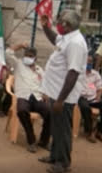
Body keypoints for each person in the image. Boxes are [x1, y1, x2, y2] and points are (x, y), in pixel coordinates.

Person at [39, 10, 88, 173]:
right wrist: (46, 27)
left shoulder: (76, 43)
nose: (58, 24)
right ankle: (54, 155)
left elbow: (73, 73)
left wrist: (60, 100)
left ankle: (63, 163)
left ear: (67, 26)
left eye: (60, 22)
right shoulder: (67, 38)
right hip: (55, 91)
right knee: (56, 127)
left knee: (63, 130)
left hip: (63, 96)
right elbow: (55, 39)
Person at [6, 43, 50, 153]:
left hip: (37, 97)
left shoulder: (39, 70)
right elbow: (8, 53)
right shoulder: (18, 64)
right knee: (21, 110)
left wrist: (45, 94)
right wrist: (20, 45)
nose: (27, 57)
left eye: (30, 56)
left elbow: (45, 84)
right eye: (26, 55)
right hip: (23, 96)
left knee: (51, 113)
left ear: (35, 58)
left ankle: (44, 141)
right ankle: (31, 140)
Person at [78, 55, 102, 143]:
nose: (89, 63)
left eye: (91, 62)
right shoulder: (79, 73)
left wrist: (98, 97)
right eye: (87, 62)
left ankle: (99, 131)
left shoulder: (95, 74)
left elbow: (100, 88)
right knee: (85, 108)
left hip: (94, 98)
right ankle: (90, 131)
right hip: (82, 97)